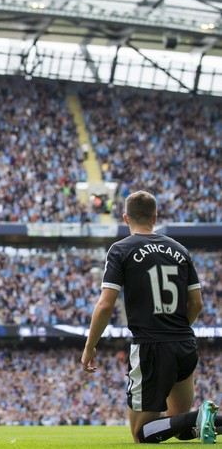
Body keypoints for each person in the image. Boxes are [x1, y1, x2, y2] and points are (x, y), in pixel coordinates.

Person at [81, 190, 217, 444]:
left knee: (142, 434)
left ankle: (199, 416)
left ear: (125, 218)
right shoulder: (180, 250)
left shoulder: (121, 249)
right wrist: (176, 329)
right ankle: (206, 418)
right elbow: (197, 303)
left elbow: (105, 304)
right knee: (181, 428)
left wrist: (90, 345)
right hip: (185, 344)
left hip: (151, 347)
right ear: (155, 217)